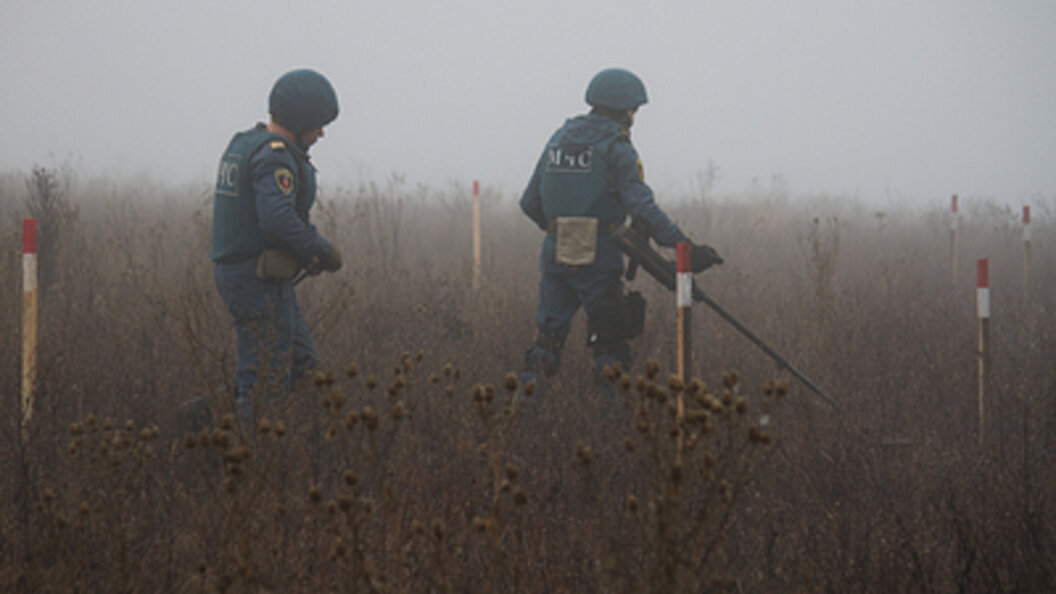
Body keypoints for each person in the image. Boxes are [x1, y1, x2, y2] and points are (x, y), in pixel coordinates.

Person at [518, 67, 722, 400]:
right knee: (609, 348)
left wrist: (563, 229)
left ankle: (520, 422)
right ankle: (610, 437)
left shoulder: (558, 138)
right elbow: (644, 208)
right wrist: (686, 246)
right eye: (635, 110)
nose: (635, 116)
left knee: (546, 346)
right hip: (599, 260)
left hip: (555, 255)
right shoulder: (617, 147)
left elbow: (529, 202)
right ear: (626, 109)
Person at [210, 68, 343, 425]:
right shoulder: (274, 155)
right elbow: (277, 219)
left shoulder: (246, 143)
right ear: (301, 119)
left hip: (254, 276)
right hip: (254, 281)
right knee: (267, 379)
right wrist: (319, 249)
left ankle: (225, 415)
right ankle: (249, 458)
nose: (321, 133)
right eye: (317, 124)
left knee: (302, 362)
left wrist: (302, 254)